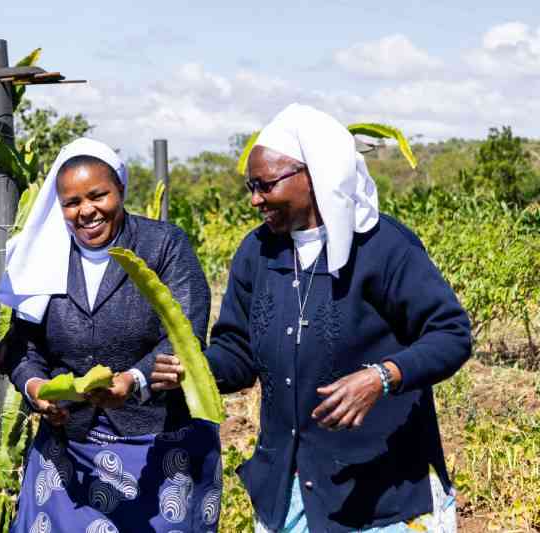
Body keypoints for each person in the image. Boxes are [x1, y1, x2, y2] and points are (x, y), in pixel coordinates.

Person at [152, 104, 471, 532]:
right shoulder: (258, 252)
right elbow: (237, 353)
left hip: (383, 488)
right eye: (251, 186)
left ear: (315, 173)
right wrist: (191, 370)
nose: (255, 199)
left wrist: (382, 376)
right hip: (292, 488)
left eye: (265, 185)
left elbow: (451, 333)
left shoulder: (382, 246)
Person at [0, 138, 221, 532]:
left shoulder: (163, 244)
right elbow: (21, 346)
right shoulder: (43, 257)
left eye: (98, 195)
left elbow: (184, 331)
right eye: (71, 202)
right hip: (69, 448)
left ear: (120, 190)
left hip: (157, 442)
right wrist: (36, 390)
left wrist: (135, 381)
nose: (86, 211)